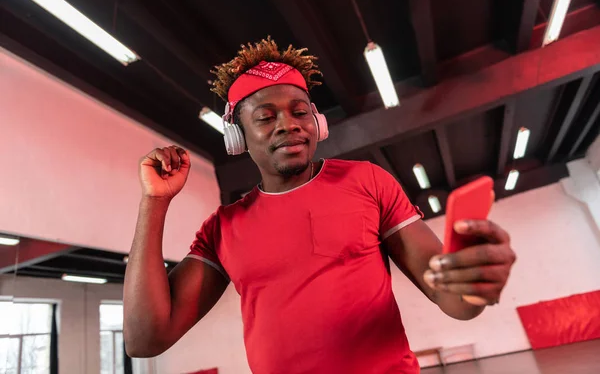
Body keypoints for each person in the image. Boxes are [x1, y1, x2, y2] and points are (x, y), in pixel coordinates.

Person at [123, 38, 516, 373]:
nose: (288, 124)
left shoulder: (367, 181)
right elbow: (145, 339)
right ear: (238, 138)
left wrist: (474, 283)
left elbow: (452, 299)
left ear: (317, 123)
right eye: (265, 117)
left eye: (299, 112)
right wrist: (153, 203)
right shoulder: (223, 228)